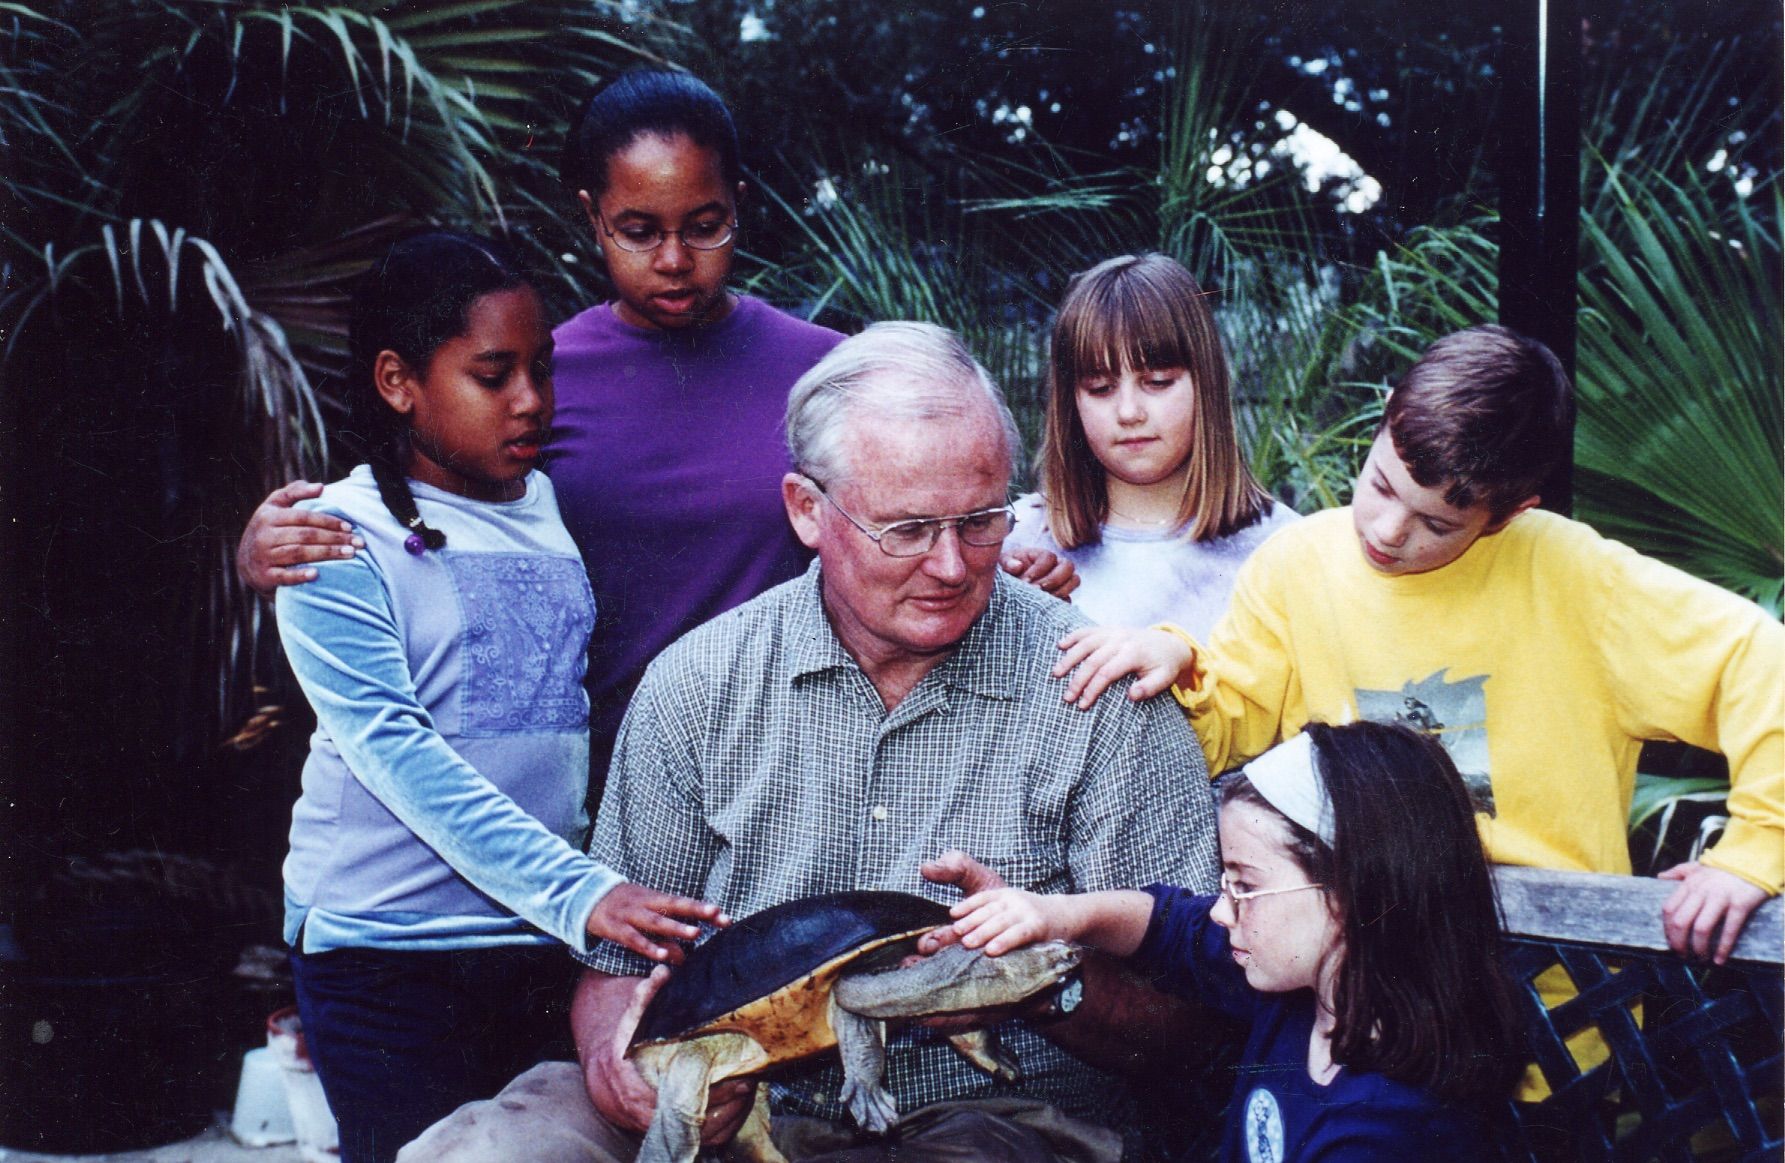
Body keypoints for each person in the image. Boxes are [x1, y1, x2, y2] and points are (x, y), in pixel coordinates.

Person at [400, 322, 1222, 1162]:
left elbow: (1198, 1020)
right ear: (805, 509)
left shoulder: (1100, 694)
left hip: (998, 1115)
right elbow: (617, 964)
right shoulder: (697, 686)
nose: (950, 564)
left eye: (980, 521)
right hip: (733, 1096)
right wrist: (629, 1076)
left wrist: (1039, 985)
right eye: (905, 529)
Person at [235, 71, 1074, 789]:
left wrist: (995, 564)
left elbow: (904, 524)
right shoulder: (533, 378)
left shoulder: (830, 371)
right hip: (595, 785)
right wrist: (273, 546)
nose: (673, 260)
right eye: (638, 231)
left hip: (802, 769)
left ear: (738, 206)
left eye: (703, 226)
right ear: (591, 215)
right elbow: (425, 525)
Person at [1052, 324, 1783, 968]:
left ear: (1506, 515)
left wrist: (1755, 849)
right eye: (1379, 484)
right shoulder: (1295, 564)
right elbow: (1224, 728)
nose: (1388, 530)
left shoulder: (1576, 576)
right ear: (1381, 426)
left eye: (1436, 524)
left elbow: (1761, 662)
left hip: (1555, 990)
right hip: (1364, 974)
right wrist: (1178, 662)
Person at [275, 231, 724, 1163]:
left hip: (536, 939)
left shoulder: (547, 504)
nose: (532, 400)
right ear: (398, 381)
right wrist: (584, 891)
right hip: (387, 954)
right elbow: (394, 750)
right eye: (494, 373)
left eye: (542, 368)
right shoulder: (332, 540)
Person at [946, 721, 1525, 1161]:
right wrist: (1055, 915)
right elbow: (1169, 925)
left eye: (1245, 885)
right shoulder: (1316, 981)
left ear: (1351, 894)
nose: (1223, 910)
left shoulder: (1381, 1130)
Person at [1007, 253, 1297, 638]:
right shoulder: (1011, 539)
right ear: (1070, 402)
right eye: (1101, 389)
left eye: (1157, 382)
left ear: (1206, 385)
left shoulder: (1286, 549)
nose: (1129, 412)